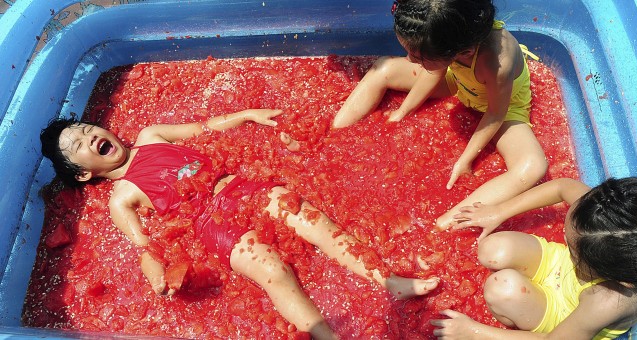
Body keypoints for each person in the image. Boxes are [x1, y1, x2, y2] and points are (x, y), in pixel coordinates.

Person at [40, 109, 439, 340]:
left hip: (238, 186)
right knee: (271, 268)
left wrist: (245, 115)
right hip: (209, 223)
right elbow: (144, 245)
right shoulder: (121, 197)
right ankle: (325, 335)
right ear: (83, 175)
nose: (91, 137)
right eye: (79, 145)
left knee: (315, 223)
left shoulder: (151, 135)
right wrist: (157, 277)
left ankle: (389, 281)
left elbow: (205, 129)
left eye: (88, 129)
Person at [332, 0, 547, 230]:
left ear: (464, 51)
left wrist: (465, 159)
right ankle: (334, 134)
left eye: (418, 57)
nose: (410, 61)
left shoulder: (496, 62)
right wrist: (402, 112)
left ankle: (448, 221)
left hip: (503, 106)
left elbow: (495, 113)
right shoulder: (447, 34)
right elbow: (435, 71)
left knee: (532, 165)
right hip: (459, 84)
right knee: (384, 68)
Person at [430, 177, 637, 339]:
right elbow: (562, 186)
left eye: (572, 248)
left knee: (502, 289)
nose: (562, 236)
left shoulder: (610, 302)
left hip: (563, 314)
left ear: (619, 278)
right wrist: (499, 210)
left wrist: (474, 333)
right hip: (558, 267)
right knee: (492, 248)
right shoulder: (601, 218)